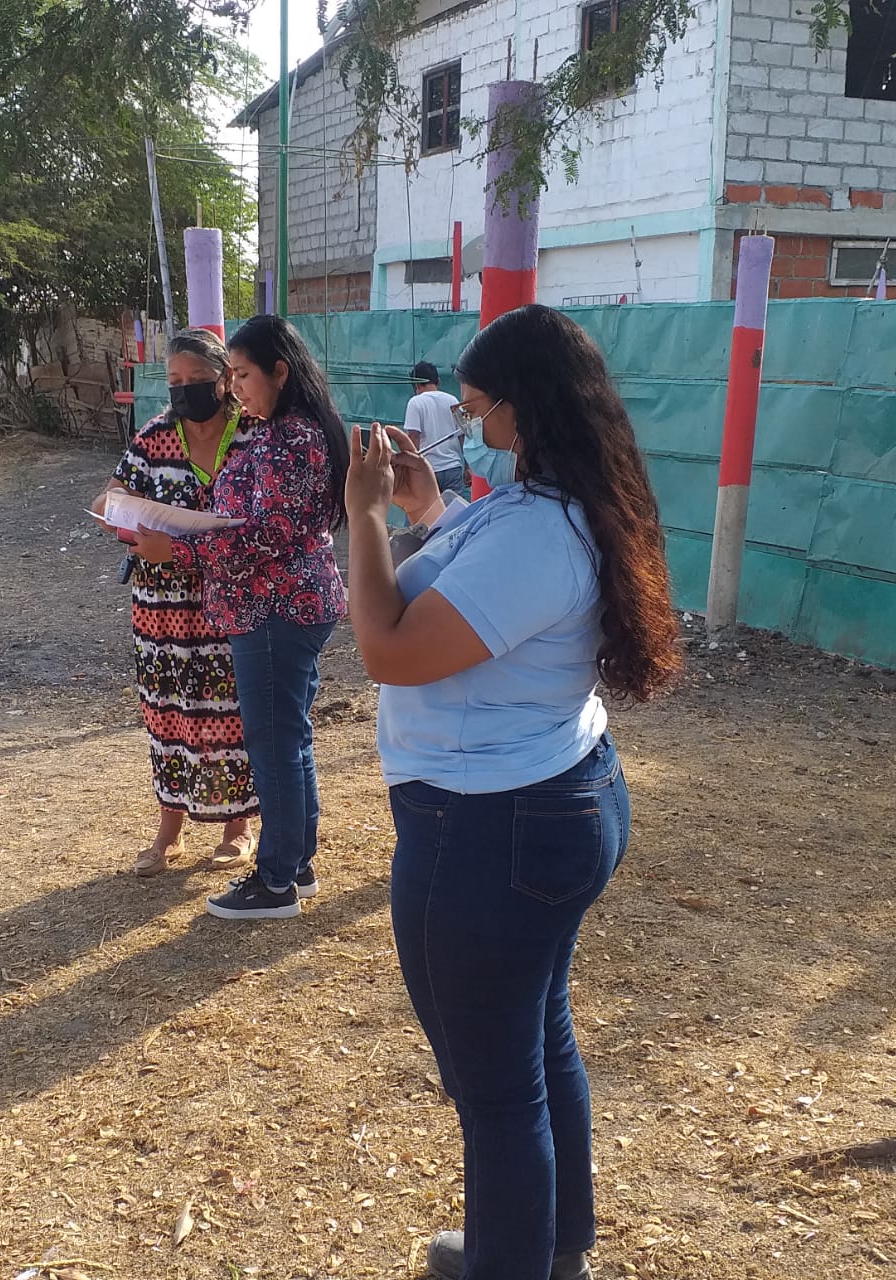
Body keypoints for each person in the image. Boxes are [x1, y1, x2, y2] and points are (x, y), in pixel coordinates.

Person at [343, 304, 681, 1280]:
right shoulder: (556, 500)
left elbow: (388, 650)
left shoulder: (540, 531)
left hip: (489, 828)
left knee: (495, 1090)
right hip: (545, 797)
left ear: (523, 407)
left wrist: (362, 516)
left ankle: (512, 1260)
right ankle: (547, 1248)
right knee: (537, 1040)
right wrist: (423, 513)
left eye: (477, 405)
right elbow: (480, 572)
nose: (467, 420)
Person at [128, 314, 349, 921]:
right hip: (277, 604)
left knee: (274, 746)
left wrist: (179, 551)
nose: (236, 387)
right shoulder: (282, 432)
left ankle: (275, 881)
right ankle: (295, 866)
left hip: (275, 606)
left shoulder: (289, 440)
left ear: (281, 372)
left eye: (244, 375)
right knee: (289, 740)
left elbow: (266, 535)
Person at [92, 328, 258, 877]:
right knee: (167, 713)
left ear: (226, 379)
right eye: (175, 381)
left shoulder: (252, 433)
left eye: (198, 379)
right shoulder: (155, 436)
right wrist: (121, 512)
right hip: (160, 606)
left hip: (229, 600)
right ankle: (170, 828)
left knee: (229, 714)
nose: (185, 390)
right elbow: (110, 495)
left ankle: (238, 826)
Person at [403, 361, 466, 499]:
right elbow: (463, 435)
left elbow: (413, 437)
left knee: (427, 510)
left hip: (428, 469)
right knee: (455, 510)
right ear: (438, 381)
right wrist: (468, 467)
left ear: (416, 385)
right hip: (453, 467)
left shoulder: (415, 402)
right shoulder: (453, 400)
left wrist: (411, 468)